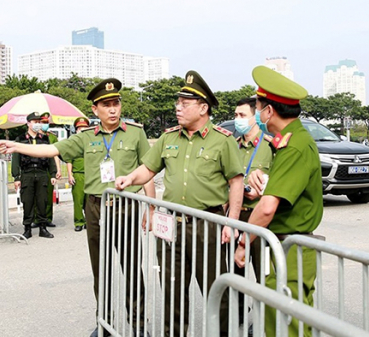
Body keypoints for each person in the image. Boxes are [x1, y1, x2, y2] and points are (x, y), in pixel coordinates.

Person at [0, 78, 155, 337]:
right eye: (106, 105)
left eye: (116, 103)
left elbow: (146, 171)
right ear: (95, 110)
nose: (113, 109)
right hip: (95, 207)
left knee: (131, 266)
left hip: (126, 206)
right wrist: (15, 146)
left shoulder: (136, 133)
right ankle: (104, 322)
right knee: (100, 268)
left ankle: (138, 325)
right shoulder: (84, 137)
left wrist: (149, 208)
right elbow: (51, 149)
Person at [115, 70, 244, 336]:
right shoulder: (168, 137)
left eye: (184, 104)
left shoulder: (223, 140)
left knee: (215, 290)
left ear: (203, 108)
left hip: (207, 225)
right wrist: (129, 178)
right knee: (172, 292)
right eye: (178, 102)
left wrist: (232, 223)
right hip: (170, 226)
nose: (178, 108)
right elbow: (148, 169)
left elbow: (236, 182)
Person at [233, 66, 323, 337]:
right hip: (286, 244)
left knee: (286, 322)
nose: (257, 114)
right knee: (292, 318)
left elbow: (269, 206)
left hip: (293, 245)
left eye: (258, 107)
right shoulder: (286, 142)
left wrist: (243, 243)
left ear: (269, 111)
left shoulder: (294, 146)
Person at [233, 96, 274, 324]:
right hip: (237, 216)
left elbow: (277, 180)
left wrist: (261, 192)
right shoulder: (232, 146)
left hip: (259, 218)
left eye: (242, 115)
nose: (237, 120)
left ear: (254, 118)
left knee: (263, 273)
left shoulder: (270, 146)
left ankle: (261, 320)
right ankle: (238, 315)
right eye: (236, 115)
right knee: (235, 270)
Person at [11, 112, 57, 239]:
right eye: (35, 122)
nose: (37, 124)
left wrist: (53, 173)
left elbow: (50, 157)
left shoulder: (44, 139)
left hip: (42, 172)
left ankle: (43, 228)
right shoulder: (20, 139)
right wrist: (16, 177)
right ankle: (27, 228)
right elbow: (15, 158)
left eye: (39, 122)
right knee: (28, 201)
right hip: (27, 173)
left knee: (42, 201)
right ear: (28, 123)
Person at [38, 112, 61, 228]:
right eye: (43, 122)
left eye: (47, 122)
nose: (45, 124)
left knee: (48, 194)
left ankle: (47, 218)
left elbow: (55, 154)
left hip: (49, 167)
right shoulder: (35, 136)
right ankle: (36, 219)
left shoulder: (52, 137)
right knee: (37, 195)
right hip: (38, 167)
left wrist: (58, 169)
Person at [67, 117, 90, 232]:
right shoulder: (73, 142)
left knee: (90, 201)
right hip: (78, 173)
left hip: (91, 174)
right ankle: (79, 221)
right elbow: (69, 160)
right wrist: (70, 175)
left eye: (84, 128)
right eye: (80, 128)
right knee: (78, 200)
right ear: (76, 130)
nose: (82, 130)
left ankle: (89, 221)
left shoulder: (91, 141)